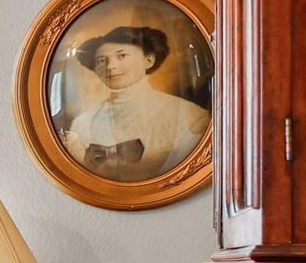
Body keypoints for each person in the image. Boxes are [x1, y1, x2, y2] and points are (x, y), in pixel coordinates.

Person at [60, 25, 209, 181]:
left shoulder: (188, 115)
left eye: (122, 56)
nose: (111, 66)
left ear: (149, 60)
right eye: (101, 60)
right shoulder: (82, 123)